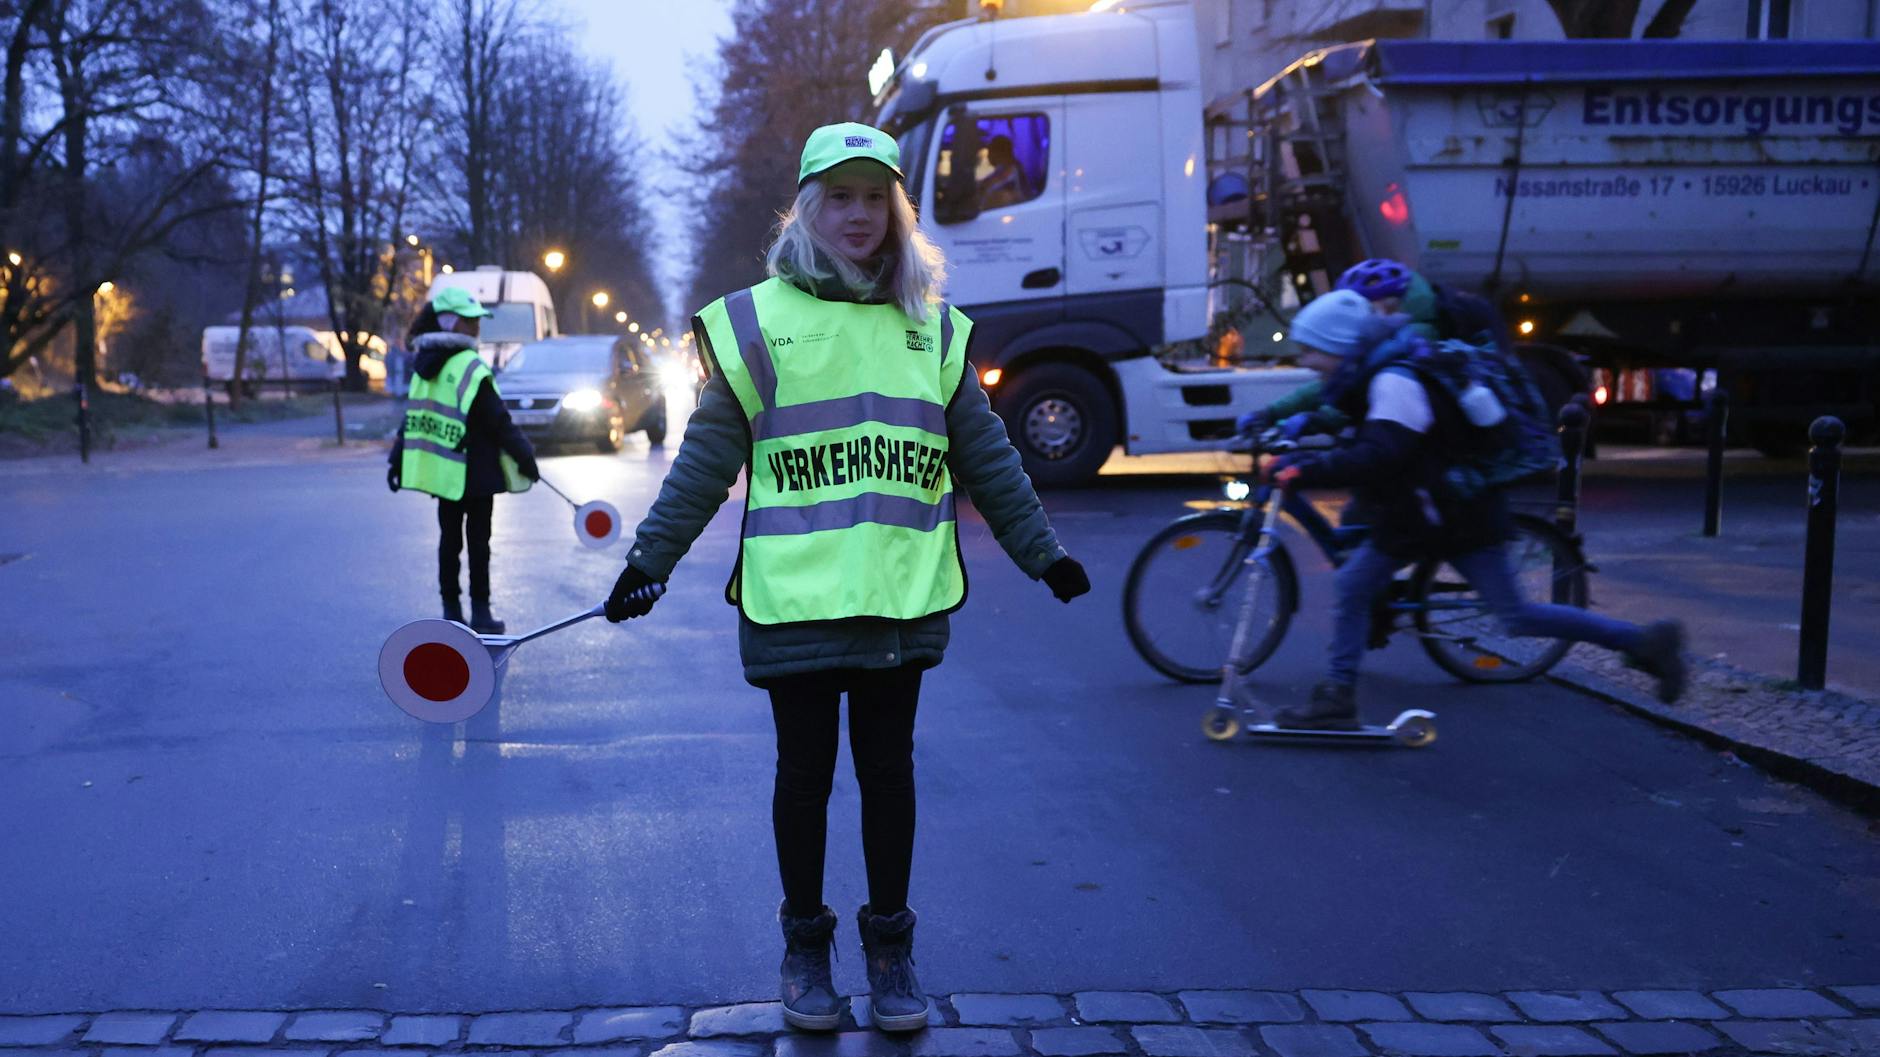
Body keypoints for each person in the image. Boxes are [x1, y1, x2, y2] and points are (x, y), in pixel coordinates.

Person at [603, 121, 1090, 1034]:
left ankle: (891, 950)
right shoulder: (757, 322)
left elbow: (985, 452)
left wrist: (1042, 552)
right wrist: (649, 561)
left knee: (889, 772)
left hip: (900, 599)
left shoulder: (932, 326)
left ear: (898, 211)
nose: (858, 215)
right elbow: (708, 458)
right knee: (804, 775)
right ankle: (804, 948)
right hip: (796, 603)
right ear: (807, 210)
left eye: (876, 197)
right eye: (840, 197)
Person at [1259, 289, 1686, 728]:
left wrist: (1305, 471)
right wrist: (1303, 456)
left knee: (1516, 616)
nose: (1306, 361)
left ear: (1342, 347)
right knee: (1355, 587)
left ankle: (1645, 641)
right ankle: (1338, 694)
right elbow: (1373, 448)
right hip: (1424, 511)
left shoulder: (1394, 382)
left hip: (1451, 513)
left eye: (1313, 350)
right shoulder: (1371, 376)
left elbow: (1379, 455)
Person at [387, 287, 539, 634]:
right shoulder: (469, 365)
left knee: (449, 542)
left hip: (445, 474)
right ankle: (481, 614)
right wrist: (525, 457)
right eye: (472, 321)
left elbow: (412, 417)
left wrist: (397, 459)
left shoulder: (423, 365)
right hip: (479, 472)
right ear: (453, 322)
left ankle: (451, 611)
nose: (477, 328)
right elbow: (497, 420)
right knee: (478, 545)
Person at [975, 134, 1033, 210]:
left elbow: (995, 184)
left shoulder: (1012, 171)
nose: (988, 156)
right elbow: (988, 180)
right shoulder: (1002, 168)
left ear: (999, 153)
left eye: (990, 152)